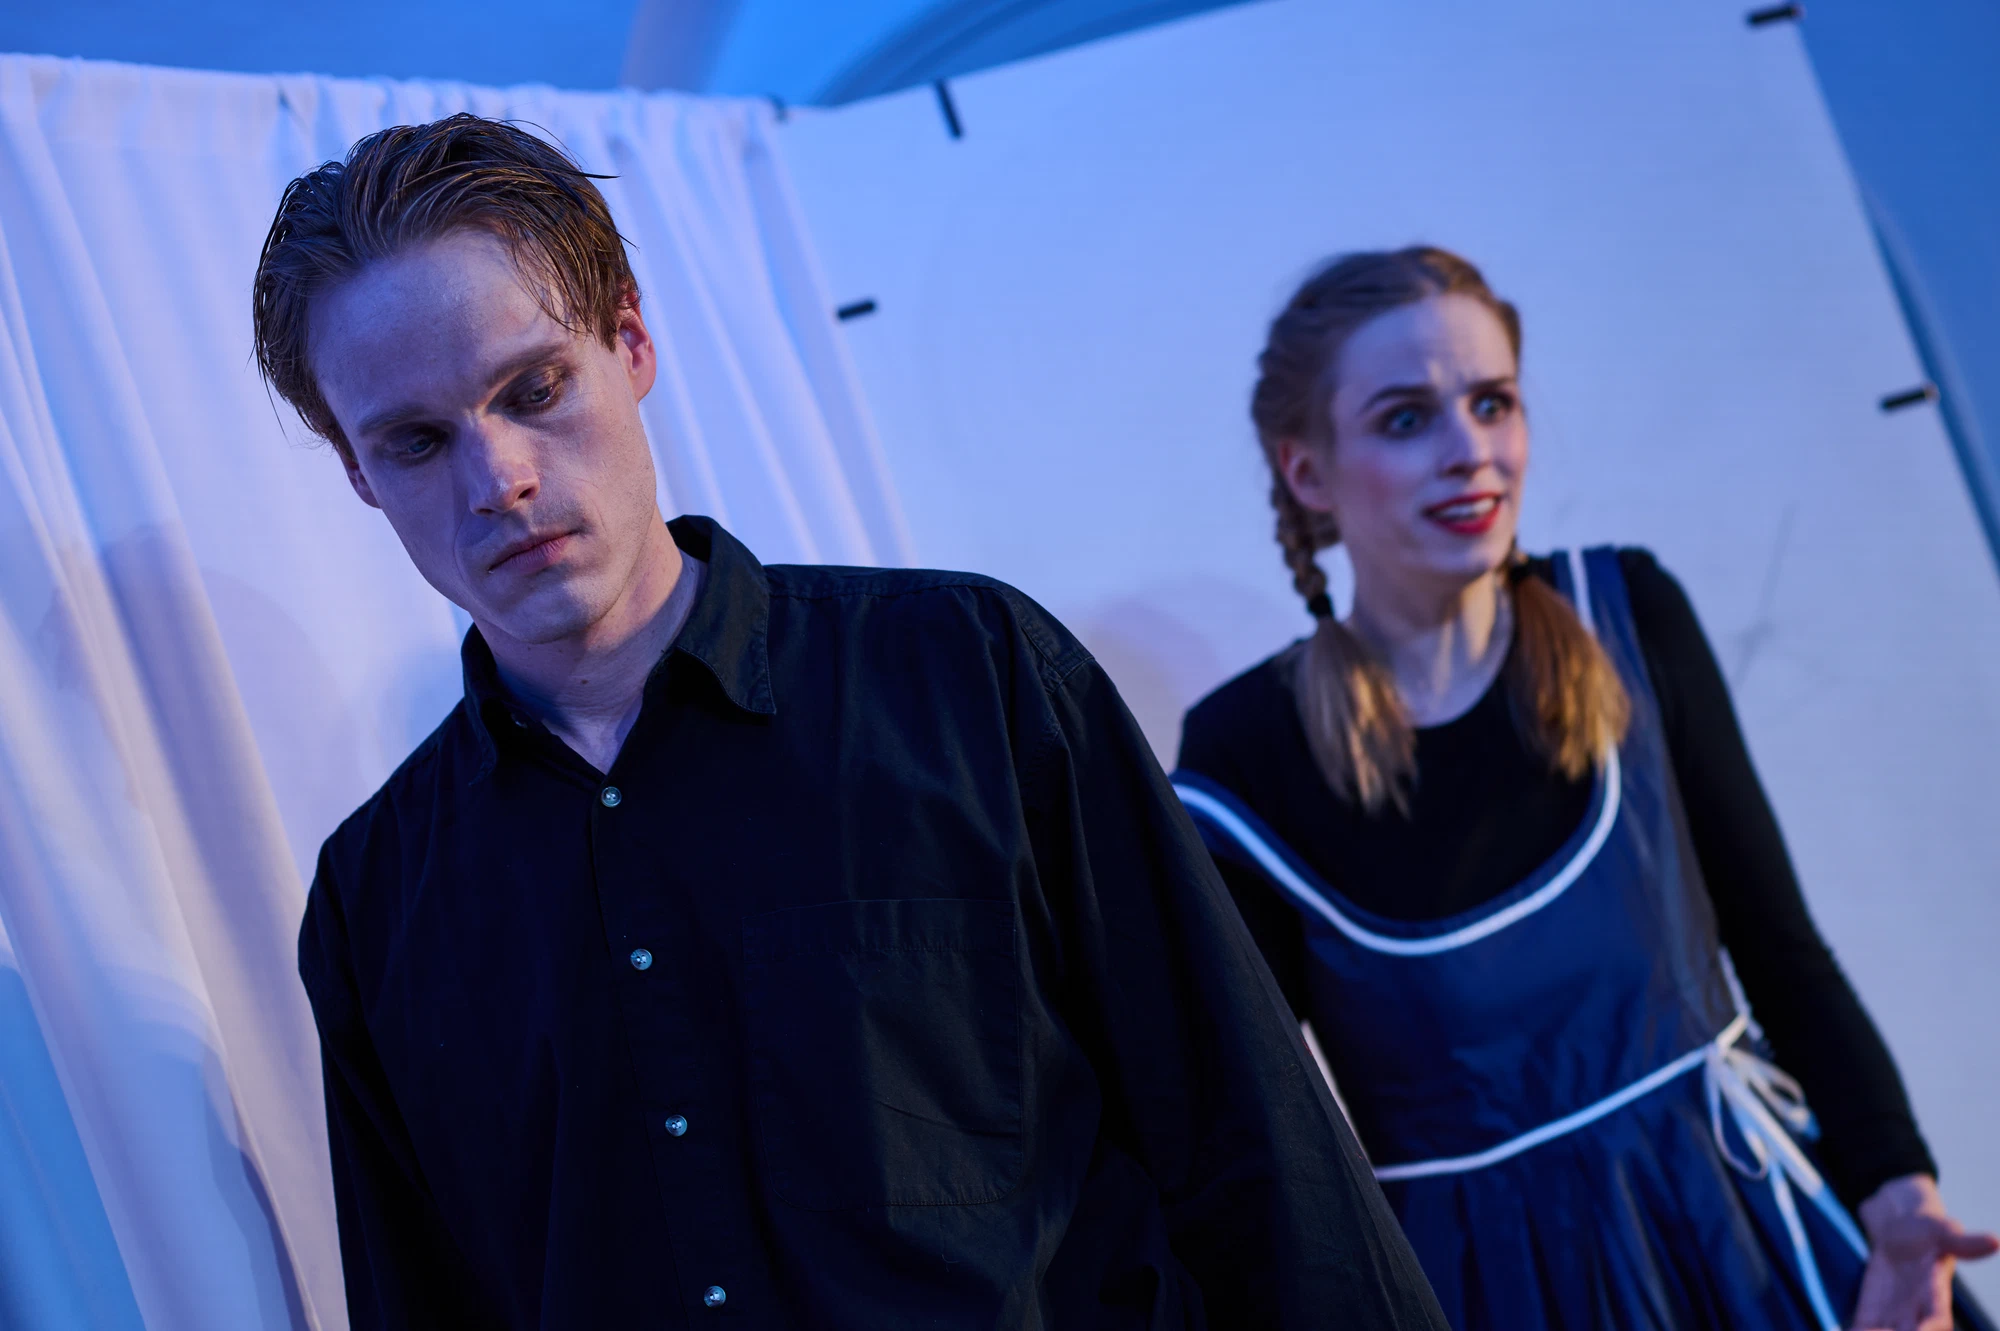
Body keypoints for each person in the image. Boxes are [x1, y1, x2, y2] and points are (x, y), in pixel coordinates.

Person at [255, 115, 1447, 1330]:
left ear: (630, 340)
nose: (496, 478)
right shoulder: (374, 905)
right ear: (357, 472)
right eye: (416, 440)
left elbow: (1250, 1147)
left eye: (534, 388)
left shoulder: (973, 677)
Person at [1171, 246, 1997, 1331]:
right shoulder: (1243, 756)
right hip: (1488, 1289)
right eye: (1406, 419)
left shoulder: (1626, 615)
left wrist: (1899, 1198)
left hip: (1747, 1235)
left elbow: (1781, 947)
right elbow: (1246, 1131)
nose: (1470, 451)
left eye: (1492, 402)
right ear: (1308, 473)